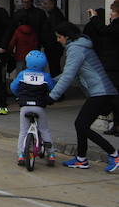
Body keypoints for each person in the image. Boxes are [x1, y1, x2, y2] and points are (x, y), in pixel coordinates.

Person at [49, 22, 119, 173]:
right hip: (100, 91)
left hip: (101, 92)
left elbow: (68, 76)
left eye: (59, 37)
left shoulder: (76, 49)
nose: (58, 40)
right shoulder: (79, 46)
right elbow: (71, 74)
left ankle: (114, 154)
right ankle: (81, 159)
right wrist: (50, 81)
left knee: (81, 125)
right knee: (81, 124)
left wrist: (52, 96)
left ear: (67, 37)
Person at [10, 50, 55, 167]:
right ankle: (51, 154)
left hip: (25, 106)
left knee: (23, 131)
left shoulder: (22, 74)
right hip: (39, 106)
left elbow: (13, 87)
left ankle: (20, 154)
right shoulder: (45, 76)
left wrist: (18, 95)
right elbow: (52, 87)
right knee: (44, 129)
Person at [84, 0, 119, 135]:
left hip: (114, 66)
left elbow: (103, 30)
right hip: (112, 65)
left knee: (113, 98)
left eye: (114, 11)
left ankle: (116, 124)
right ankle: (116, 124)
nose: (111, 14)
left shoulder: (116, 26)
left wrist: (94, 17)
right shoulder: (114, 25)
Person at [41, 0, 66, 76]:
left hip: (53, 47)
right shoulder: (53, 14)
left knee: (54, 68)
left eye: (45, 3)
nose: (44, 6)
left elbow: (54, 32)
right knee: (54, 68)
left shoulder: (55, 16)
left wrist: (47, 43)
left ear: (52, 4)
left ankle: (56, 87)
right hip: (52, 47)